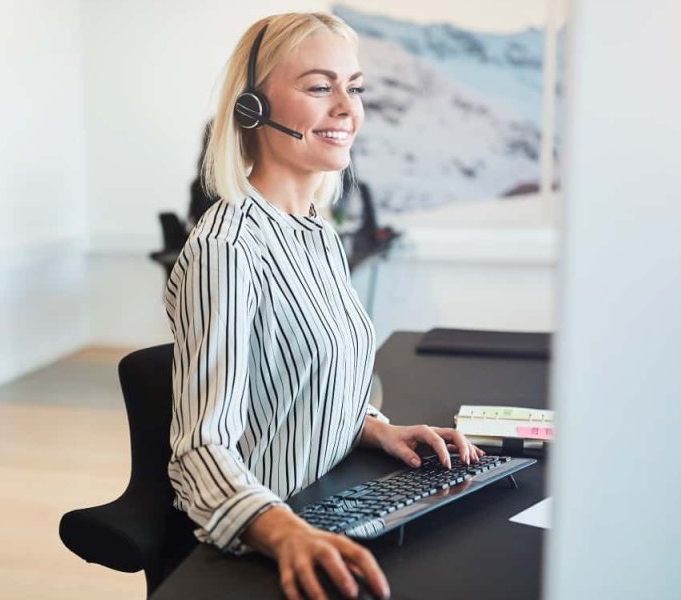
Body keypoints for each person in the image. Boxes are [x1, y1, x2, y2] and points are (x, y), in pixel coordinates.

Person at [163, 13, 483, 600]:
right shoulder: (227, 248)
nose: (346, 108)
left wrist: (373, 429)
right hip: (278, 532)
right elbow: (200, 451)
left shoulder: (315, 231)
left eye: (353, 87)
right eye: (318, 87)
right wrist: (285, 536)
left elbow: (290, 384)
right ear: (252, 109)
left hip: (336, 496)